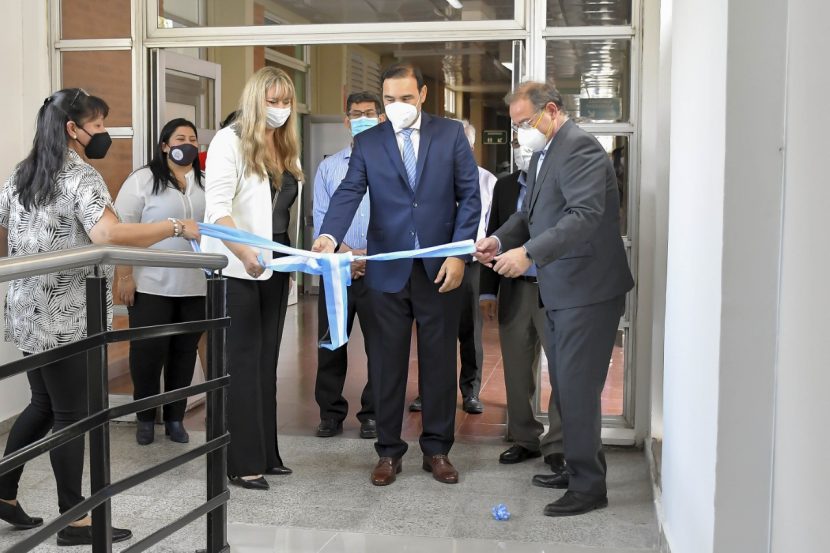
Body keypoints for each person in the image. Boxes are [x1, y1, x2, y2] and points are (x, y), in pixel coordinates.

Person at [0, 88, 200, 545]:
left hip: (27, 310)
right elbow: (109, 233)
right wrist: (175, 227)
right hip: (67, 312)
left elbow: (4, 225)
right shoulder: (80, 175)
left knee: (45, 405)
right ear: (74, 129)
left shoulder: (22, 172)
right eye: (100, 125)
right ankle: (75, 520)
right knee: (73, 415)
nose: (105, 134)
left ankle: (5, 491)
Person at [313, 63, 480, 487]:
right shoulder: (370, 142)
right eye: (390, 99)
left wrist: (460, 255)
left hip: (438, 268)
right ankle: (388, 452)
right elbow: (350, 190)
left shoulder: (450, 134)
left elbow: (470, 197)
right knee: (386, 366)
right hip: (386, 271)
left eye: (406, 98)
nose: (398, 106)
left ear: (423, 95)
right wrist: (330, 234)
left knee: (439, 363)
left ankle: (438, 450)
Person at [475, 82, 634, 517]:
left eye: (525, 122)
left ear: (551, 110)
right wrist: (497, 239)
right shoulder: (547, 152)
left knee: (578, 390)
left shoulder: (579, 148)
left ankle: (588, 487)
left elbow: (583, 217)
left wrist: (526, 253)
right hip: (562, 290)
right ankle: (576, 467)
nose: (522, 132)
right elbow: (529, 214)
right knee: (566, 385)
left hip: (587, 291)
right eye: (517, 126)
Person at [201, 67, 302, 491]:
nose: (279, 110)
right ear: (254, 100)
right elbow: (216, 211)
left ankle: (265, 451)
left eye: (285, 102)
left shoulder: (286, 145)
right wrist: (246, 254)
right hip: (237, 267)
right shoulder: (230, 141)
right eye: (271, 101)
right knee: (240, 363)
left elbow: (283, 216)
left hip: (275, 265)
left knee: (265, 363)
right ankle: (240, 462)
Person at [114, 118, 206, 446]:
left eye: (192, 138)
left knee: (184, 351)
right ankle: (144, 417)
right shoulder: (143, 180)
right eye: (180, 138)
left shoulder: (204, 182)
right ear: (165, 145)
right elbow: (122, 230)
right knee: (148, 352)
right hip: (150, 282)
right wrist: (124, 274)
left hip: (195, 284)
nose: (187, 144)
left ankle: (175, 418)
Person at [479, 140, 564, 470]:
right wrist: (488, 292)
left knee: (561, 369)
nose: (524, 147)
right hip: (514, 288)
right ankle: (525, 438)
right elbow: (494, 232)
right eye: (519, 141)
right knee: (515, 370)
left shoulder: (563, 181)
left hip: (554, 289)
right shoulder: (505, 185)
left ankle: (557, 444)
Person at [408, 119, 495, 416]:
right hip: (432, 262)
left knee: (469, 330)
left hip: (469, 262)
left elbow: (491, 225)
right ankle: (426, 391)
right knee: (431, 330)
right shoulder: (425, 178)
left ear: (468, 147)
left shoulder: (486, 180)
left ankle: (470, 391)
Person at [311, 91, 384, 440]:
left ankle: (373, 413)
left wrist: (368, 255)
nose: (363, 119)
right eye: (356, 114)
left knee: (380, 347)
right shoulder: (329, 167)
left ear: (382, 119)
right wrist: (347, 254)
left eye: (369, 113)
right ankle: (330, 413)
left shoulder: (392, 163)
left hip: (380, 269)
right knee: (331, 344)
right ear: (346, 120)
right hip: (337, 270)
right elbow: (323, 220)